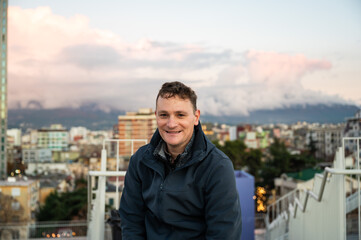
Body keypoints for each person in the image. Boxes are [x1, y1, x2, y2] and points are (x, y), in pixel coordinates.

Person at [119, 81, 242, 239]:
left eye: (180, 115)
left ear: (196, 117)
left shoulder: (217, 166)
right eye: (164, 115)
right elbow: (131, 220)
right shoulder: (140, 161)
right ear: (156, 116)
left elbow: (224, 232)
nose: (171, 124)